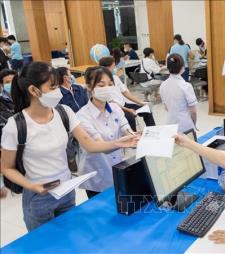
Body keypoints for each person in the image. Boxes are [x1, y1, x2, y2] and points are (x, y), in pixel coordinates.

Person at [0, 61, 138, 231]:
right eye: (52, 87)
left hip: (66, 191)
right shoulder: (15, 126)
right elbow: (6, 167)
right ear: (33, 91)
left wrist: (120, 142)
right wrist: (33, 186)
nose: (58, 91)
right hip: (38, 197)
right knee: (44, 244)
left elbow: (90, 144)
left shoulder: (64, 112)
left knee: (69, 238)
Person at [77, 67, 131, 199]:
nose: (107, 88)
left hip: (117, 168)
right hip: (96, 174)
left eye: (110, 84)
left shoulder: (115, 108)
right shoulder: (82, 116)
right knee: (101, 212)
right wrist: (126, 141)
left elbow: (127, 130)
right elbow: (100, 145)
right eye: (101, 85)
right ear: (89, 87)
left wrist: (137, 136)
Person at [99, 57, 156, 131]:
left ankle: (153, 131)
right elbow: (111, 103)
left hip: (124, 105)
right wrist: (128, 110)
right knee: (130, 117)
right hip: (114, 109)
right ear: (106, 68)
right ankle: (133, 138)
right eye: (113, 66)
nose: (115, 68)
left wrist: (141, 102)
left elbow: (125, 93)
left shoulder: (115, 78)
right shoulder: (101, 83)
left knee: (147, 110)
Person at [160, 54, 197, 132]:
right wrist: (194, 124)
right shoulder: (186, 86)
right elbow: (193, 112)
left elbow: (167, 108)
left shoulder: (162, 85)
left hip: (170, 125)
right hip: (185, 126)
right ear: (182, 67)